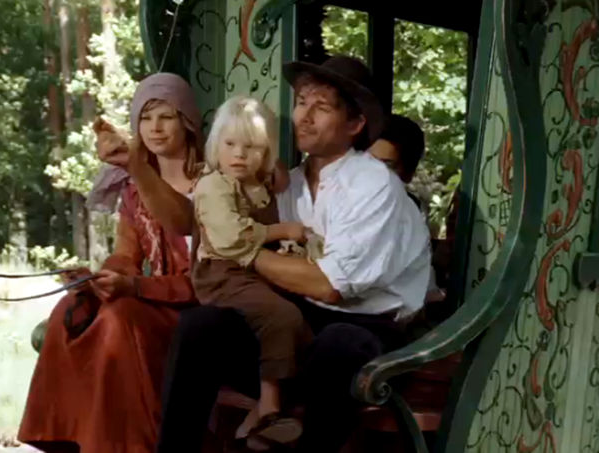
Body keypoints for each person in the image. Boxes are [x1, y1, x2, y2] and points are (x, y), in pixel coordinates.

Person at [155, 56, 432, 453]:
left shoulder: (375, 186)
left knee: (338, 343)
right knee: (202, 327)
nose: (305, 116)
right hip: (297, 321)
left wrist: (241, 249)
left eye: (322, 107)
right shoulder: (289, 183)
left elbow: (330, 286)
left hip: (369, 333)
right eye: (302, 102)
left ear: (355, 124)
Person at [17, 72, 202, 453]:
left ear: (186, 121)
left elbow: (202, 280)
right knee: (70, 307)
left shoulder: (211, 184)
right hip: (147, 298)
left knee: (120, 317)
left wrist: (134, 286)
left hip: (194, 308)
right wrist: (97, 278)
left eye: (165, 116)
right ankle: (61, 437)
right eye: (145, 118)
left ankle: (123, 444)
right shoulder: (133, 190)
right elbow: (126, 256)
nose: (155, 127)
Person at [192, 96, 312, 446]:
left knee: (307, 321)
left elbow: (281, 181)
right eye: (230, 144)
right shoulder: (213, 186)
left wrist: (273, 168)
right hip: (221, 273)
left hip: (253, 271)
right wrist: (282, 231)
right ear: (216, 146)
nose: (239, 155)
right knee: (281, 315)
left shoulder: (258, 184)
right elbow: (230, 237)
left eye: (251, 147)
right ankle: (270, 406)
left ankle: (262, 422)